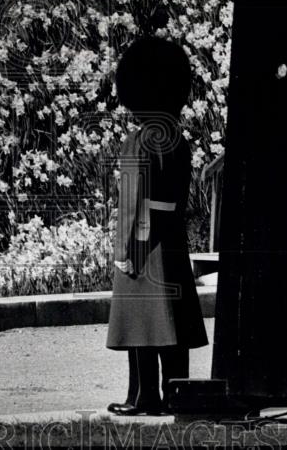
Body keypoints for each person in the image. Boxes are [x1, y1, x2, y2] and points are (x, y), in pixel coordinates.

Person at [106, 36, 208, 416]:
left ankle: (142, 396)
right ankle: (176, 395)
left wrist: (126, 249)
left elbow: (133, 202)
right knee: (174, 327)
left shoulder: (138, 140)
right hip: (172, 238)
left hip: (144, 242)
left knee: (141, 327)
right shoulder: (179, 140)